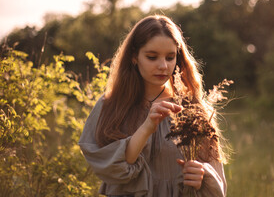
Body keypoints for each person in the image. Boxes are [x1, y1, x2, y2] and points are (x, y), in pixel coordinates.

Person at [79, 15, 227, 197]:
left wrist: (202, 175)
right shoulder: (111, 106)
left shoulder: (192, 109)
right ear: (134, 56)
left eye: (170, 57)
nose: (163, 66)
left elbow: (216, 175)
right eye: (152, 57)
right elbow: (113, 169)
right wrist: (148, 126)